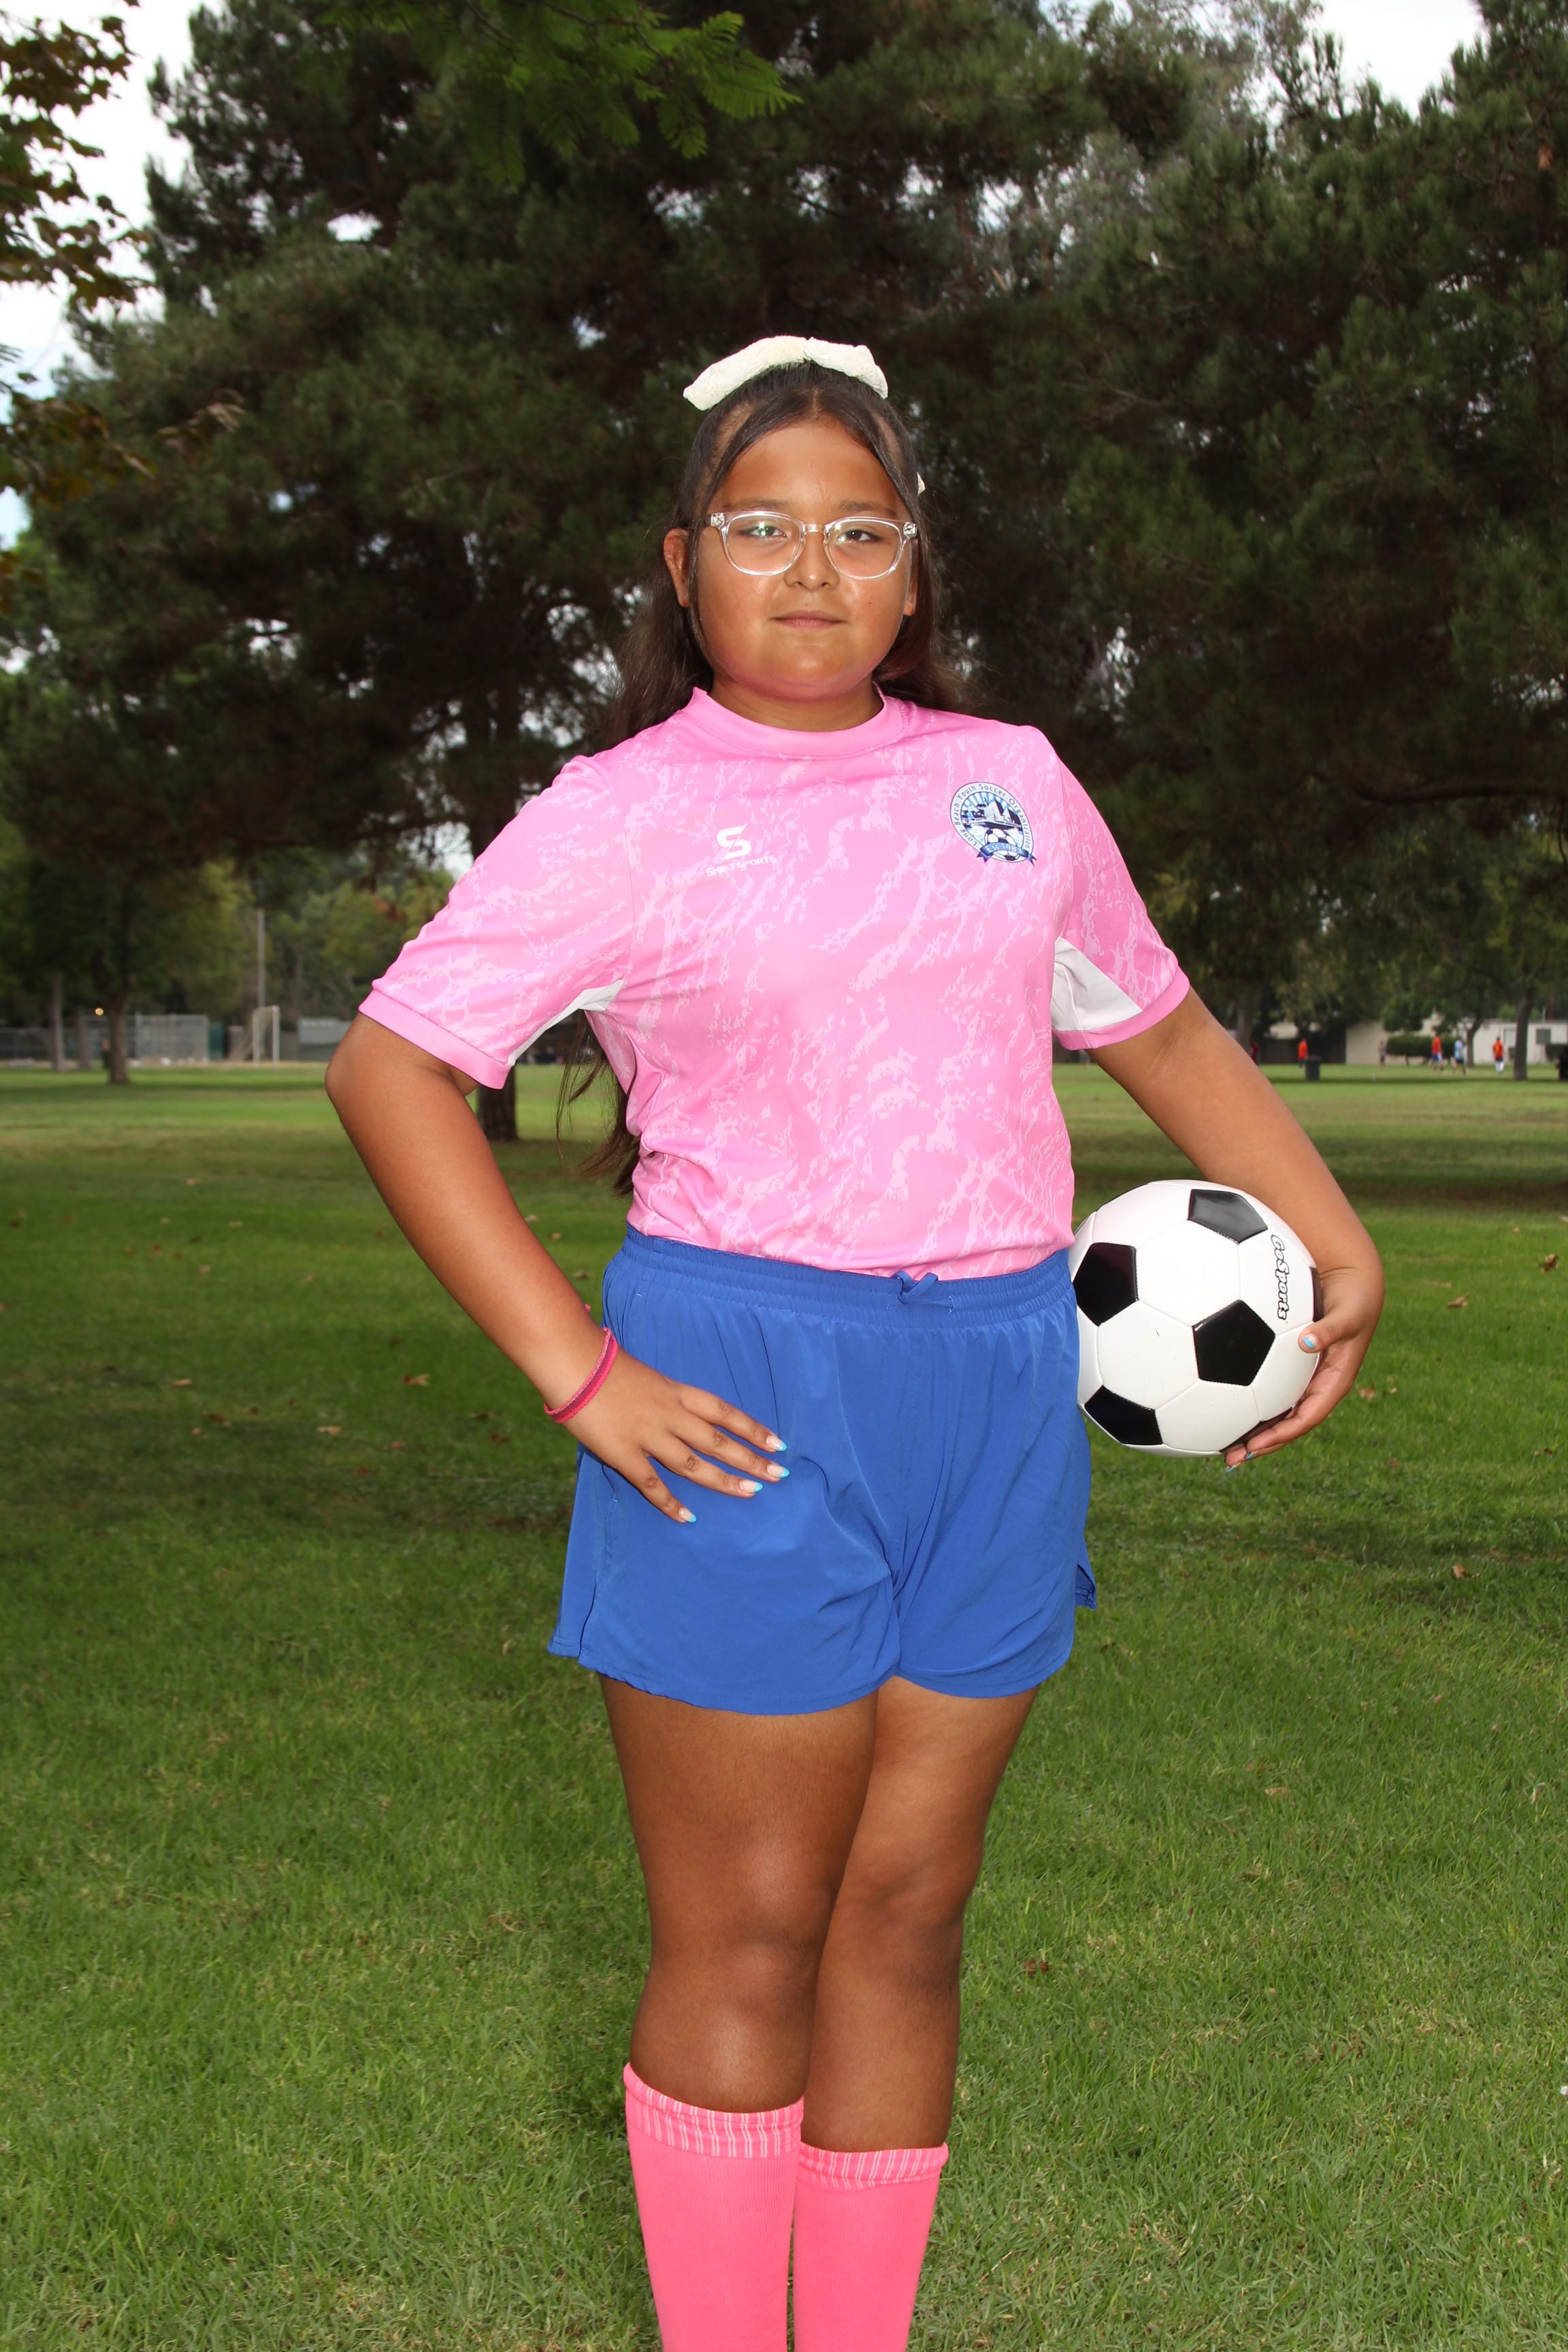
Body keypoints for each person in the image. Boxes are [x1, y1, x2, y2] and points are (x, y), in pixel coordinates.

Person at [325, 338, 1384, 2352]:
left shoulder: (1013, 787)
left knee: (907, 1917)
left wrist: (1333, 1240)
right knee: (750, 1935)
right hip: (738, 1391)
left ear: (912, 572)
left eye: (858, 531)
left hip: (999, 1386)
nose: (810, 569)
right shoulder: (620, 816)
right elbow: (392, 1070)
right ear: (683, 564)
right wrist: (579, 1372)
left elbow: (1155, 1024)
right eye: (759, 528)